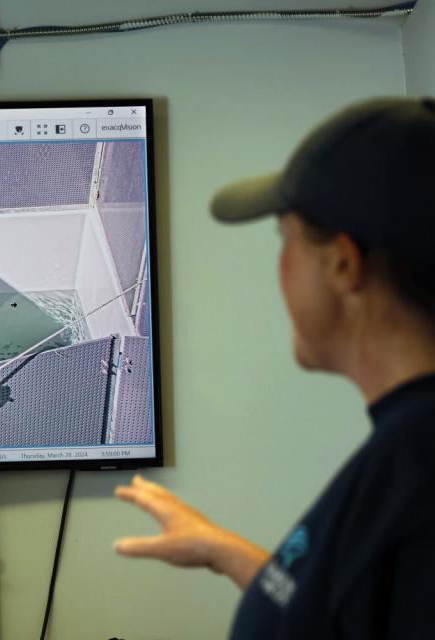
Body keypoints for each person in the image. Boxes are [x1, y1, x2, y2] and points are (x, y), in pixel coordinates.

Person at [113, 97, 435, 638]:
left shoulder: (417, 473)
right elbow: (344, 611)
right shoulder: (409, 448)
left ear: (342, 264)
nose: (278, 271)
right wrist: (219, 549)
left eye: (284, 242)